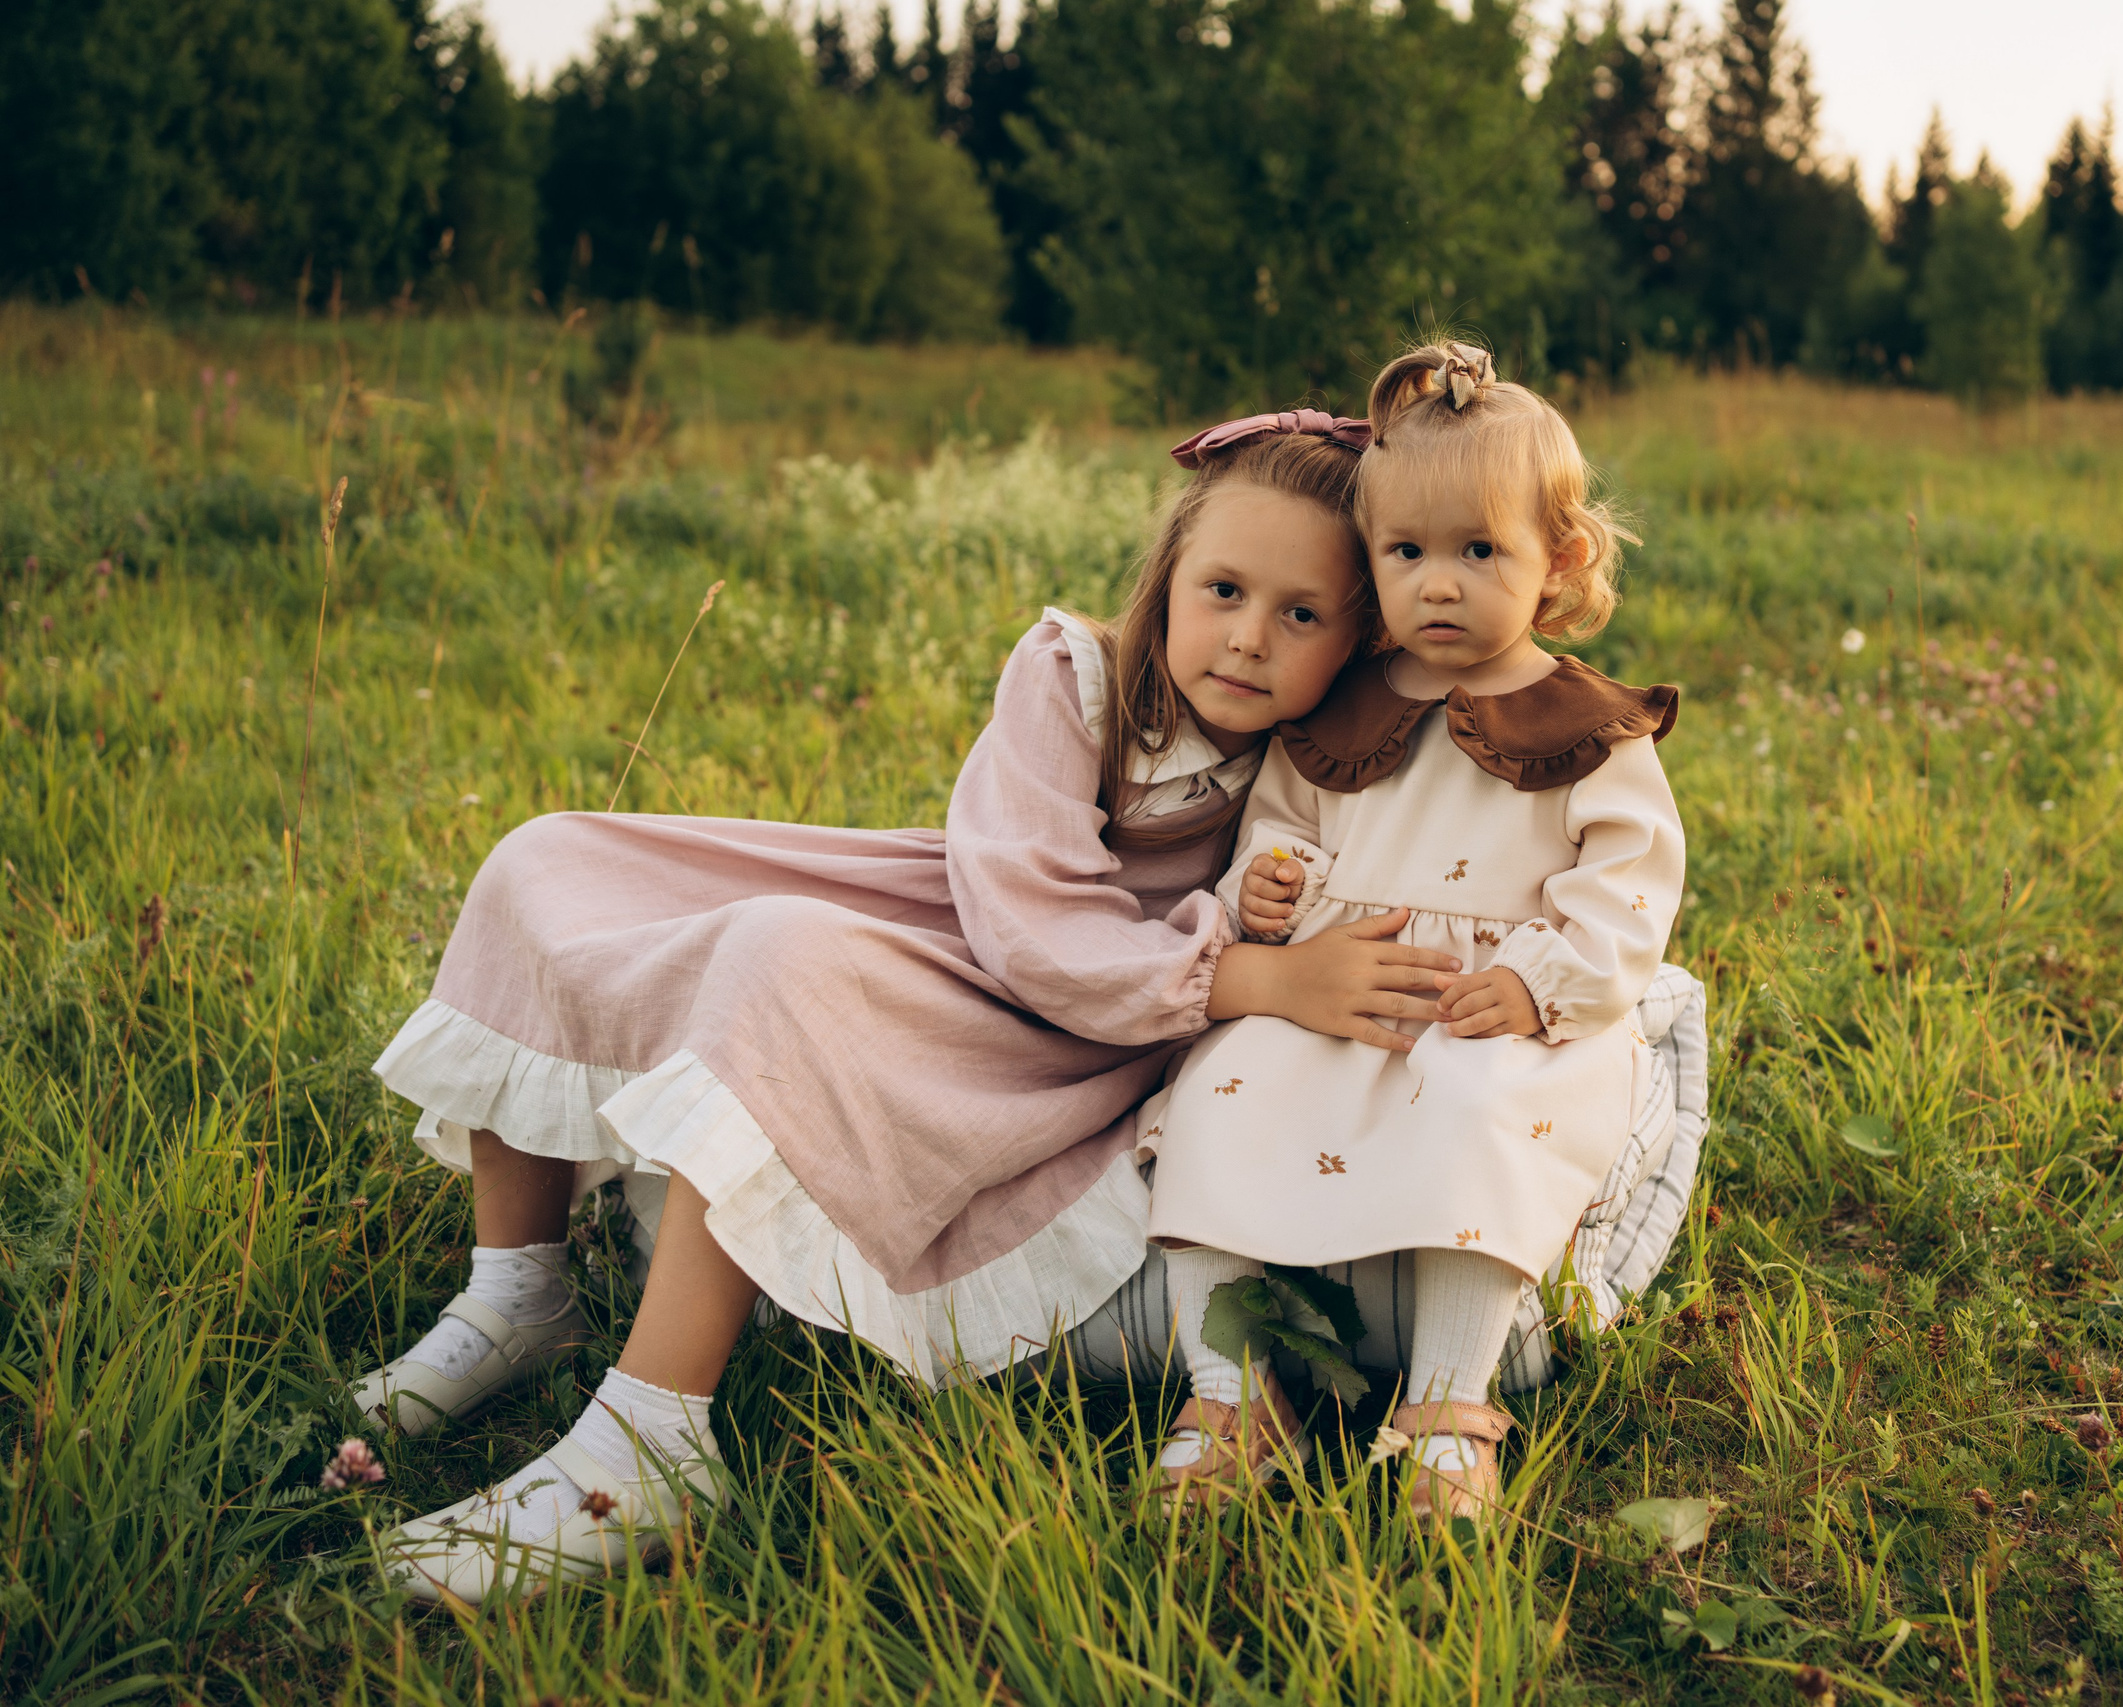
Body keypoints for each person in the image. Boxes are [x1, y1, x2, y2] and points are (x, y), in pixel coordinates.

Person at [361, 409, 1470, 1604]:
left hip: (1063, 1044)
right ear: (1168, 578)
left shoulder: (1324, 760)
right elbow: (1023, 916)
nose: (1249, 639)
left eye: (1301, 615)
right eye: (1223, 590)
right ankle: (516, 1292)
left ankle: (650, 1441)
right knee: (552, 864)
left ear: (1357, 640)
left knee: (779, 957)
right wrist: (1252, 975)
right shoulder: (1077, 673)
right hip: (981, 935)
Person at [1141, 342, 1686, 1522]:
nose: (1438, 584)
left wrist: (1549, 982)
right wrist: (1268, 892)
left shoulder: (1588, 728)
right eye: (1406, 554)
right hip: (1336, 989)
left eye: (1477, 551)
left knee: (1482, 1111)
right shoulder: (1345, 708)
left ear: (1561, 558)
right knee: (1216, 1090)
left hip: (1489, 1005)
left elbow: (1630, 886)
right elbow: (1282, 825)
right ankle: (1232, 1393)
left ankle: (1446, 1403)